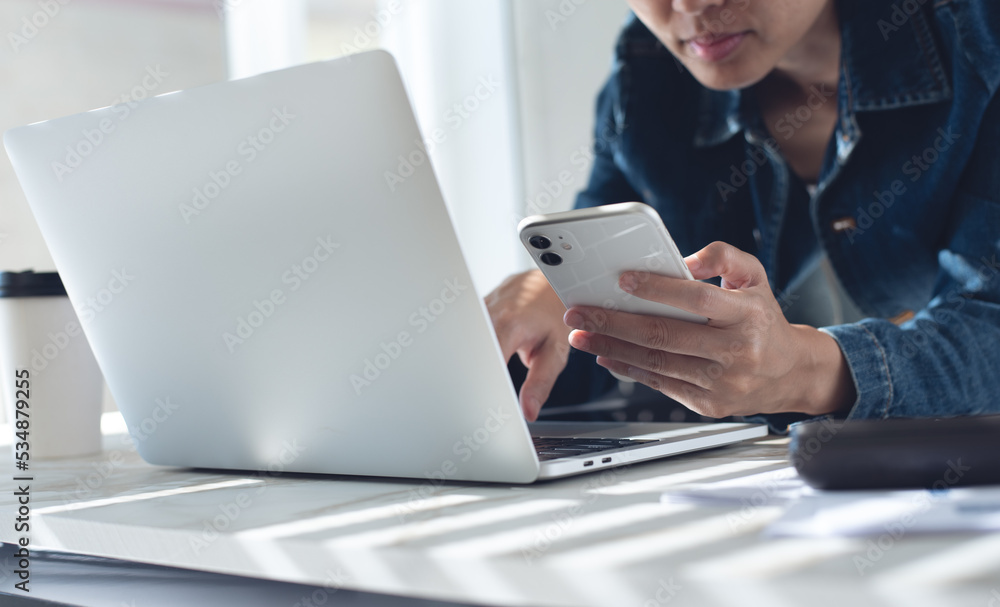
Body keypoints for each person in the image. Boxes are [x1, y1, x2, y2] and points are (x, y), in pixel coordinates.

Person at [486, 0, 1000, 430]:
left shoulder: (980, 36)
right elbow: (613, 314)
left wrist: (806, 371)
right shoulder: (650, 68)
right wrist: (546, 318)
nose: (689, 7)